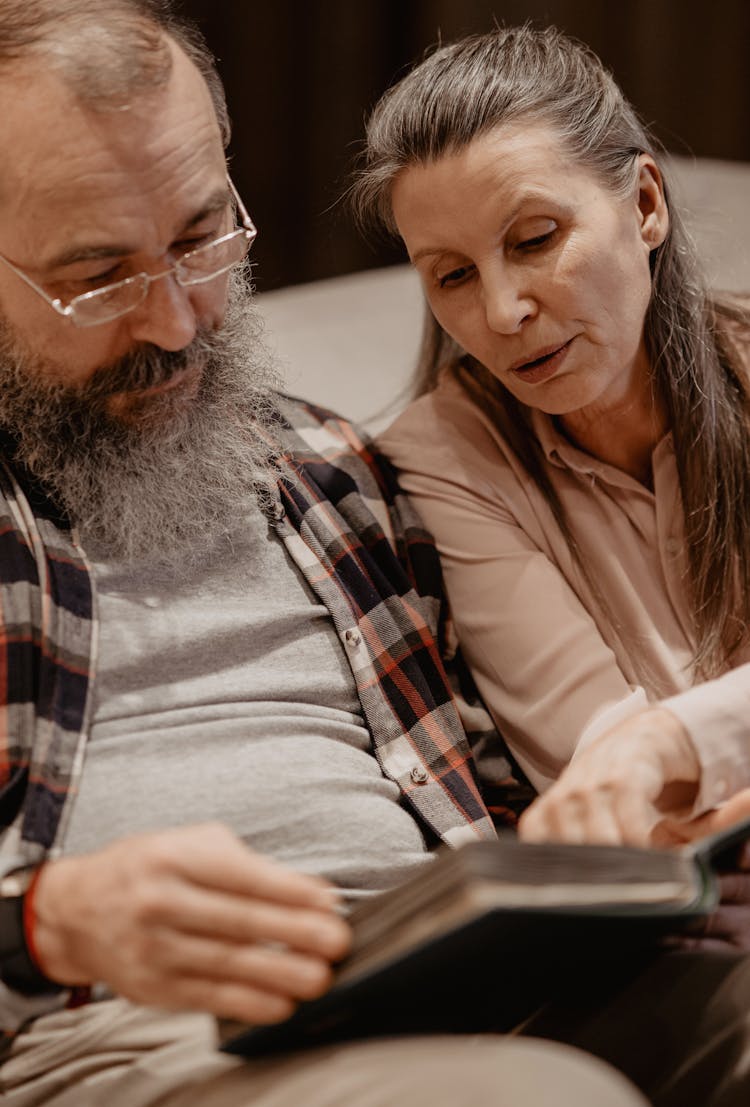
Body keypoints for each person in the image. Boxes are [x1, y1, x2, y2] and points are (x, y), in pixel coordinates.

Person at [0, 6, 742, 1106]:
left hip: (468, 972)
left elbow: (525, 783)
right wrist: (48, 925)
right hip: (138, 1030)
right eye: (101, 277)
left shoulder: (334, 469)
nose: (175, 323)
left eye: (203, 239)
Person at [360, 24, 750, 849]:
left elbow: (650, 768)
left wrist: (673, 744)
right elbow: (616, 797)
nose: (502, 313)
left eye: (535, 239)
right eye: (454, 276)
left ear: (646, 204)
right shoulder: (440, 462)